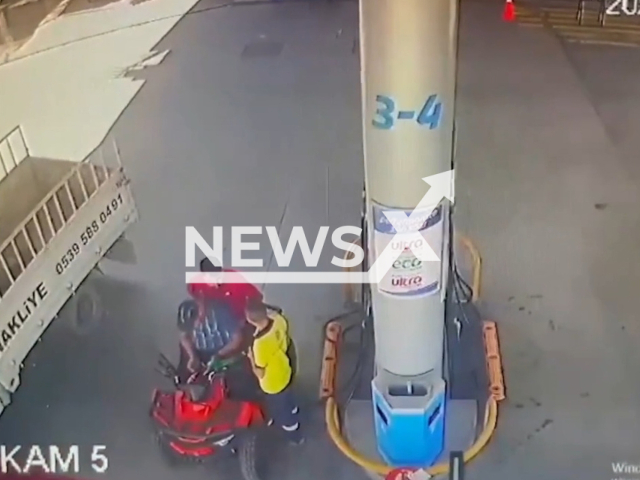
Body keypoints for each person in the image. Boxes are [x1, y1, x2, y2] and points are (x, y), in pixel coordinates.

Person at [245, 298, 303, 445]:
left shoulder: (259, 345)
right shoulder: (279, 321)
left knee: (282, 411)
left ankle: (294, 435)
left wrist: (251, 358)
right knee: (289, 397)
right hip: (285, 369)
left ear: (250, 320)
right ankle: (294, 410)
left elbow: (260, 373)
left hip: (273, 384)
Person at [177, 298, 248, 374]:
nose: (193, 327)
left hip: (227, 357)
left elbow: (237, 338)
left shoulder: (220, 313)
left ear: (199, 313)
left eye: (193, 323)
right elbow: (184, 337)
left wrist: (219, 355)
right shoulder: (192, 326)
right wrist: (193, 356)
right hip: (204, 358)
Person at [188, 257, 263, 320]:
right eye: (211, 278)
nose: (216, 282)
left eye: (218, 277)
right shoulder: (196, 283)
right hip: (214, 317)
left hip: (239, 317)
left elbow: (256, 296)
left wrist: (250, 316)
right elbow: (194, 294)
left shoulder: (236, 279)